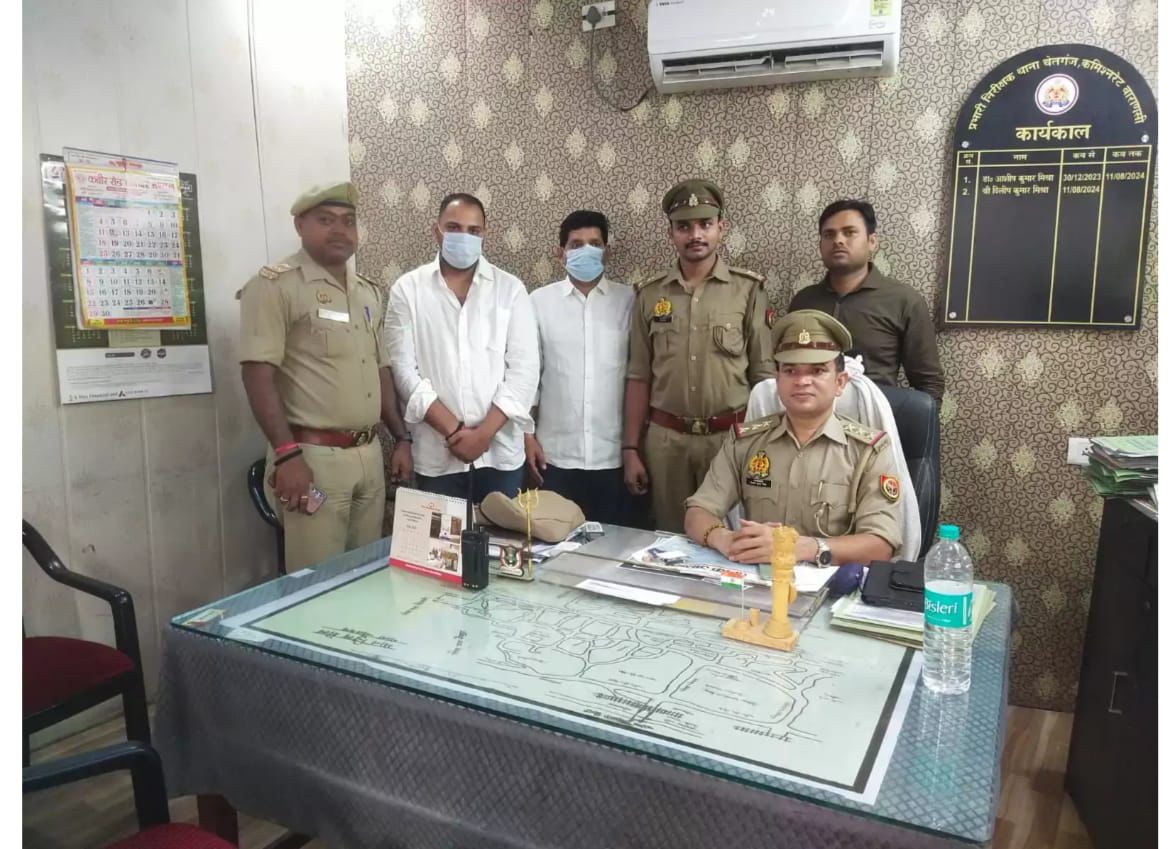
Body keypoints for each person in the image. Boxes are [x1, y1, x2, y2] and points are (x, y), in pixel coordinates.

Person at [238, 181, 413, 572]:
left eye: (348, 221)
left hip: (369, 455)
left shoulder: (367, 293)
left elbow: (380, 369)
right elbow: (257, 375)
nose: (340, 230)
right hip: (312, 458)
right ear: (300, 226)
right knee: (316, 584)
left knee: (364, 577)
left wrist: (401, 438)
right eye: (326, 220)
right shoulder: (275, 287)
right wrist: (287, 455)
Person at [683, 310, 902, 567]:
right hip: (758, 579)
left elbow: (880, 545)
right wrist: (724, 538)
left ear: (840, 382)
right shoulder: (745, 441)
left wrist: (805, 548)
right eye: (790, 371)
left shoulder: (869, 451)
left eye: (817, 371)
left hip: (830, 582)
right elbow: (698, 511)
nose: (802, 381)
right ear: (777, 380)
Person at [622, 179, 774, 533]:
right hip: (666, 443)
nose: (695, 235)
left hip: (729, 439)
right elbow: (639, 376)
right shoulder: (649, 295)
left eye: (705, 224)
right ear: (671, 233)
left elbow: (764, 379)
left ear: (721, 227)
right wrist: (630, 449)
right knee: (668, 539)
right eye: (684, 226)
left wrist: (763, 448)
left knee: (730, 539)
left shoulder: (747, 290)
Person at [385, 192, 539, 502]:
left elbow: (524, 371)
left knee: (500, 533)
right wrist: (455, 431)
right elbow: (403, 371)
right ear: (436, 231)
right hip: (436, 454)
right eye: (453, 228)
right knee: (441, 536)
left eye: (473, 230)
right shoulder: (408, 289)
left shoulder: (510, 289)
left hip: (500, 453)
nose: (464, 237)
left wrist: (483, 435)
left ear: (484, 234)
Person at [526, 210, 636, 524]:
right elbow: (528, 376)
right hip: (554, 457)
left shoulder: (630, 301)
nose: (586, 251)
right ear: (560, 252)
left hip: (614, 458)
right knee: (553, 543)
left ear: (607, 251)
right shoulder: (538, 302)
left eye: (594, 244)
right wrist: (526, 435)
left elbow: (640, 376)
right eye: (576, 245)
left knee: (614, 544)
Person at [788, 199, 945, 401]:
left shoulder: (904, 301)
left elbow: (929, 383)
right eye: (829, 235)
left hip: (874, 415)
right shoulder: (803, 301)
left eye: (849, 232)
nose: (838, 240)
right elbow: (787, 368)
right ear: (820, 245)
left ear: (872, 241)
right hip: (809, 414)